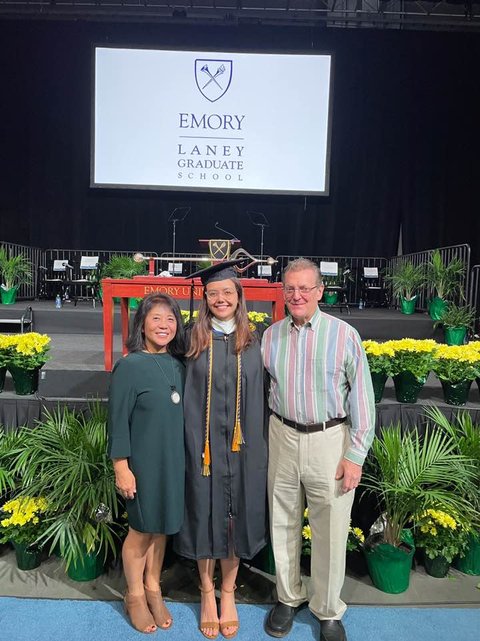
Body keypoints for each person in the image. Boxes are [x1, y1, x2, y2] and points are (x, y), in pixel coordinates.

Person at [261, 258, 375, 641]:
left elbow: (363, 400)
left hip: (330, 440)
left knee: (330, 529)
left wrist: (355, 455)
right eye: (290, 288)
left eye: (305, 288)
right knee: (282, 522)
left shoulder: (344, 335)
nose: (297, 295)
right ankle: (288, 596)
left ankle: (327, 609)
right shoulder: (270, 337)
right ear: (283, 292)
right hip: (282, 435)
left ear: (320, 291)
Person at [174, 260, 268, 641]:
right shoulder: (190, 339)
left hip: (243, 448)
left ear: (239, 296)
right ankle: (206, 591)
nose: (221, 299)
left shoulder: (255, 340)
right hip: (203, 449)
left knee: (235, 517)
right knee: (203, 513)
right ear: (205, 298)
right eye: (213, 293)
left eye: (227, 292)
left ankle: (227, 592)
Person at [107, 293, 186, 634]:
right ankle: (135, 594)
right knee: (141, 531)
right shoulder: (129, 366)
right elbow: (117, 422)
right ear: (142, 324)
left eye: (170, 319)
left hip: (173, 461)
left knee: (161, 527)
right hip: (142, 464)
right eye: (156, 318)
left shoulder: (179, 365)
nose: (164, 325)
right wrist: (121, 467)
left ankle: (153, 586)